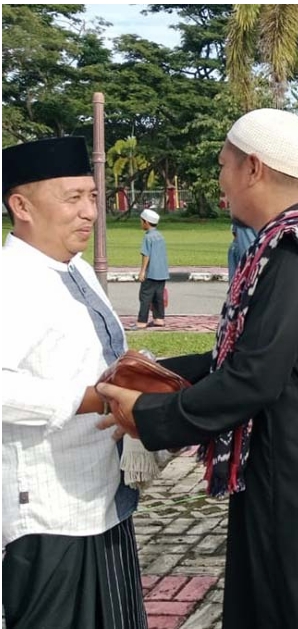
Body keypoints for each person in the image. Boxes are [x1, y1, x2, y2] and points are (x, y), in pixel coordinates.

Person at [95, 108, 298, 628]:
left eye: (224, 165)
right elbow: (237, 358)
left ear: (253, 168)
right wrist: (140, 374)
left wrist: (154, 414)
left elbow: (254, 376)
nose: (220, 180)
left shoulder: (294, 252)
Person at [2, 136, 147, 628]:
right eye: (72, 198)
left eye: (92, 197)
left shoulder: (75, 269)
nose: (89, 212)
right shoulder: (12, 282)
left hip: (102, 498)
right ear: (20, 205)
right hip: (49, 512)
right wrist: (91, 399)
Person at [133, 208, 169, 330]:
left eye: (141, 221)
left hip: (151, 273)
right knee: (158, 297)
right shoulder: (160, 236)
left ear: (146, 222)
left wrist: (142, 271)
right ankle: (159, 319)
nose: (141, 224)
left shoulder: (148, 237)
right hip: (162, 272)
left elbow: (146, 255)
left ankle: (141, 321)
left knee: (145, 297)